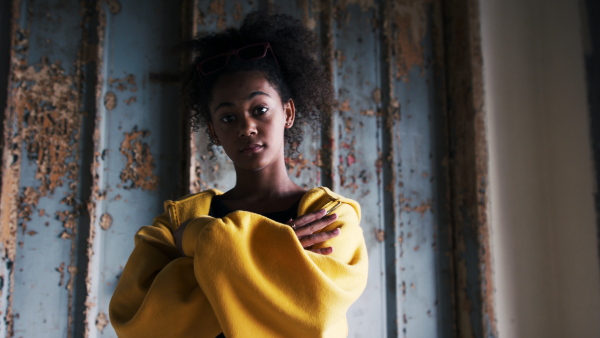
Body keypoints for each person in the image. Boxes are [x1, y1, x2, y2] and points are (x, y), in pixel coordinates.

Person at [109, 10, 368, 338]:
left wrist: (199, 238)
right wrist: (274, 254)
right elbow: (138, 322)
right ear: (214, 132)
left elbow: (315, 313)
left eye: (259, 110)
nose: (246, 127)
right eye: (228, 118)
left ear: (287, 113)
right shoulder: (175, 221)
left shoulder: (329, 219)